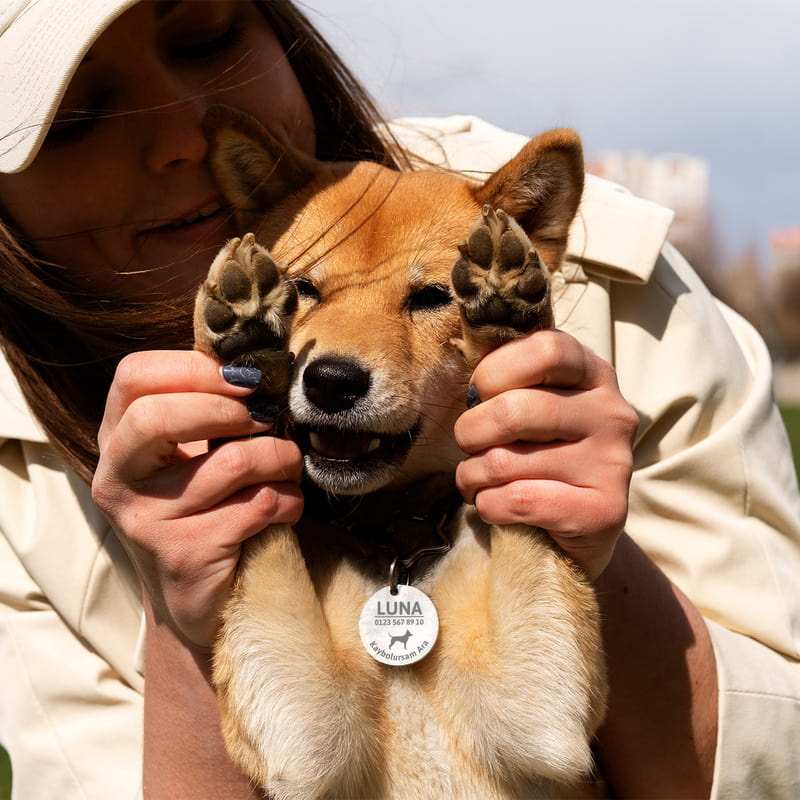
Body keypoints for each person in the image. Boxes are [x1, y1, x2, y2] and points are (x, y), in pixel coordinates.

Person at [0, 0, 797, 797]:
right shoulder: (17, 483)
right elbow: (299, 753)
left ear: (285, 32)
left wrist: (566, 531)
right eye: (74, 119)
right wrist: (185, 617)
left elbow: (774, 760)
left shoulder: (583, 272)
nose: (184, 137)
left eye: (210, 39)